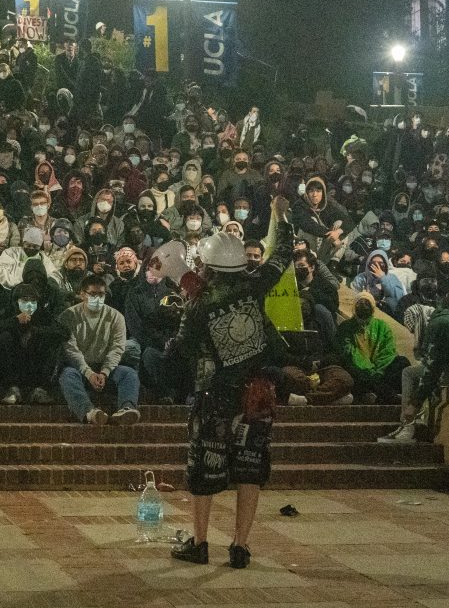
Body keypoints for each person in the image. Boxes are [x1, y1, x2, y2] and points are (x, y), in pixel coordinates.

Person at [169, 195, 292, 570]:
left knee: (204, 468)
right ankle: (240, 546)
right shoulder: (255, 283)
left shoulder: (199, 303)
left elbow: (182, 350)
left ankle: (201, 542)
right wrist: (279, 217)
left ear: (206, 264)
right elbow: (282, 257)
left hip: (214, 395)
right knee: (251, 467)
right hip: (258, 391)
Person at [383, 304, 449, 443]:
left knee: (409, 373)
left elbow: (433, 368)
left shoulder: (438, 325)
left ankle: (407, 426)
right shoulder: (447, 319)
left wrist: (414, 404)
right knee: (422, 377)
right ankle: (418, 422)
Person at [57, 274, 140, 425]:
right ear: (82, 294)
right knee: (67, 375)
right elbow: (70, 349)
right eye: (93, 294)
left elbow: (117, 347)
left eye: (101, 295)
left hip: (105, 368)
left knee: (129, 373)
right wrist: (88, 373)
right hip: (80, 369)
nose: (98, 298)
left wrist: (105, 372)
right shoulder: (69, 316)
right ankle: (89, 412)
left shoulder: (116, 317)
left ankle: (127, 409)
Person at [335, 292, 411, 404]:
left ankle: (376, 393)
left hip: (380, 372)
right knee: (348, 368)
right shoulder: (346, 328)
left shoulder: (382, 326)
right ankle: (386, 395)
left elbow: (388, 352)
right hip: (360, 371)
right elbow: (350, 353)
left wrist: (378, 372)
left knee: (402, 362)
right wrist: (370, 371)